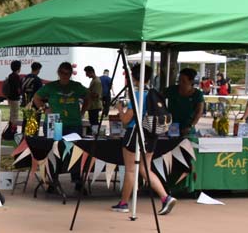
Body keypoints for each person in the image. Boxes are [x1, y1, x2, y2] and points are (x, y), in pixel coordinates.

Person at [112, 63, 177, 216]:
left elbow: (127, 120)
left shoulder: (137, 94)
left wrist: (120, 109)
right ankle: (165, 197)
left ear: (133, 76)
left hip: (135, 132)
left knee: (130, 169)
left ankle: (123, 203)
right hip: (151, 133)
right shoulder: (153, 93)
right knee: (145, 168)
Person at [32, 61, 83, 137]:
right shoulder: (50, 86)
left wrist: (83, 111)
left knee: (73, 148)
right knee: (53, 147)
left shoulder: (77, 86)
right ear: (58, 72)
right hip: (53, 123)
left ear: (71, 73)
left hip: (73, 125)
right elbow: (36, 98)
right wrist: (45, 109)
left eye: (67, 73)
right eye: (62, 73)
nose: (64, 76)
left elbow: (88, 97)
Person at [163, 67, 205, 137]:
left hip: (188, 126)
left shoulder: (198, 94)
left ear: (191, 81)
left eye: (183, 81)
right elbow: (158, 98)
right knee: (172, 145)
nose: (180, 83)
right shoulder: (172, 90)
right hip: (173, 125)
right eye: (179, 80)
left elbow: (199, 112)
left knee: (188, 146)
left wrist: (191, 126)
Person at [2, 59, 23, 139]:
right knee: (15, 115)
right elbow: (18, 89)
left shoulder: (10, 76)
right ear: (19, 68)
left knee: (12, 115)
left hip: (10, 98)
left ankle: (10, 130)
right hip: (15, 99)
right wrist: (20, 94)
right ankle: (12, 131)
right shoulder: (17, 77)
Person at [84, 65, 104, 130]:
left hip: (95, 105)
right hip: (92, 105)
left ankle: (96, 134)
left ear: (91, 72)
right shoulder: (94, 80)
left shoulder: (97, 81)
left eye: (87, 73)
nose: (86, 75)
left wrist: (86, 93)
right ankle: (94, 133)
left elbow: (96, 95)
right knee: (92, 121)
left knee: (94, 122)